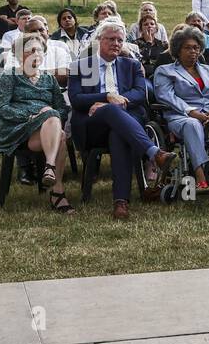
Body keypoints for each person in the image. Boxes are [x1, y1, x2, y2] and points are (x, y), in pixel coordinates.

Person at [69, 18, 177, 219]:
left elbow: (139, 93)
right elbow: (76, 100)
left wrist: (120, 100)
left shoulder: (131, 65)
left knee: (118, 133)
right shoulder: (82, 66)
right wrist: (106, 96)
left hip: (124, 125)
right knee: (111, 112)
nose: (116, 43)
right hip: (91, 127)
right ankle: (154, 153)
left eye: (120, 40)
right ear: (99, 40)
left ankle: (121, 203)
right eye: (111, 39)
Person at [0, 31, 75, 214]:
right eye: (30, 51)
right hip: (16, 129)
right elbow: (1, 108)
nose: (35, 54)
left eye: (39, 50)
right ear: (19, 55)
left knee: (56, 125)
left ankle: (51, 174)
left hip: (43, 131)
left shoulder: (49, 79)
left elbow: (61, 109)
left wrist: (46, 116)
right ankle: (56, 189)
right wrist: (31, 115)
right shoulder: (10, 76)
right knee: (58, 132)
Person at [153, 25, 209, 193]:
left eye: (196, 48)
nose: (193, 51)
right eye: (187, 48)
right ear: (177, 50)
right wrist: (192, 112)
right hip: (181, 117)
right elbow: (167, 96)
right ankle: (201, 176)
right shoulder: (165, 71)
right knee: (192, 124)